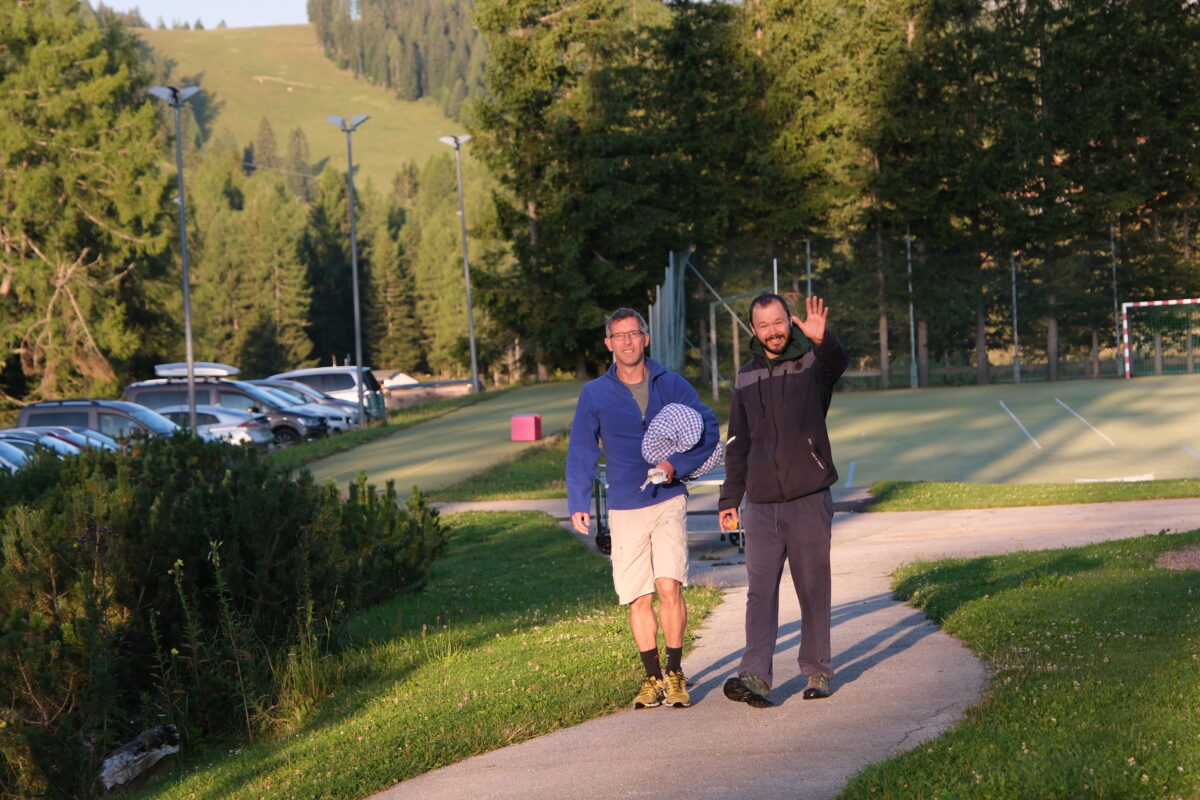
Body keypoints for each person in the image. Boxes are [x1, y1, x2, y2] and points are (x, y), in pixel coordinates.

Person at [567, 308, 720, 709]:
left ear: (645, 338)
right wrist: (578, 501)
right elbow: (582, 448)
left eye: (634, 334)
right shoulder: (595, 394)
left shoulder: (671, 383)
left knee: (669, 584)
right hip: (624, 505)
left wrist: (676, 467)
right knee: (638, 597)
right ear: (608, 344)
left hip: (668, 498)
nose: (627, 342)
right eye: (619, 336)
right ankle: (651, 679)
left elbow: (708, 429)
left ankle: (674, 672)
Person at [717, 293, 848, 707]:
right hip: (760, 505)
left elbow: (836, 364)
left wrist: (823, 340)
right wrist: (729, 497)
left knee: (812, 588)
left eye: (778, 323)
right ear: (752, 330)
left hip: (808, 499)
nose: (773, 332)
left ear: (787, 323)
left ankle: (817, 671)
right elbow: (737, 440)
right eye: (764, 326)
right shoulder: (746, 375)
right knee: (759, 592)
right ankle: (755, 674)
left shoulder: (811, 364)